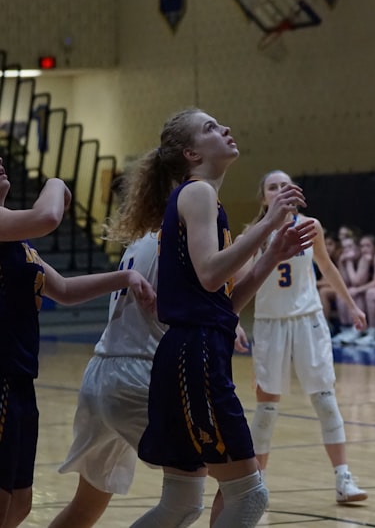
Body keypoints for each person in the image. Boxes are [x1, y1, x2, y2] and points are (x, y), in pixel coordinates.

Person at [114, 109, 315, 528]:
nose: (224, 128)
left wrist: (272, 255)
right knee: (249, 496)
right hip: (195, 358)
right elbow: (209, 275)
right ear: (191, 152)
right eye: (209, 128)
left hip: (191, 352)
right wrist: (266, 224)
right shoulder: (198, 193)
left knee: (181, 505)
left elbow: (224, 301)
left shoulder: (201, 198)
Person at [0, 164, 155, 528]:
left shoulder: (18, 242)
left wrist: (127, 276)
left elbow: (65, 291)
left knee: (19, 503)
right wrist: (55, 181)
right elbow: (48, 215)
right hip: (1, 375)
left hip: (19, 379)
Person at [247, 170, 369, 506]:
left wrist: (353, 306)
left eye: (285, 187)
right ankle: (258, 483)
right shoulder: (254, 235)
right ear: (263, 197)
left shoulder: (310, 226)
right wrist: (231, 322)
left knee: (325, 398)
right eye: (272, 187)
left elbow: (327, 268)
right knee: (267, 405)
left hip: (308, 320)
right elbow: (237, 279)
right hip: (270, 324)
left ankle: (343, 478)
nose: (279, 191)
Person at [48, 231, 166, 528]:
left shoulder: (140, 239)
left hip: (102, 368)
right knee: (232, 480)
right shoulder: (180, 233)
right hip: (138, 373)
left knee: (85, 508)